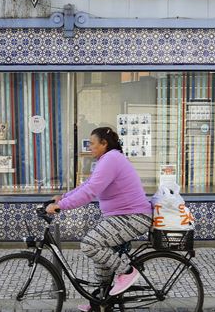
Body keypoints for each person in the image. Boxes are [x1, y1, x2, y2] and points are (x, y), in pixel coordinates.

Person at [45, 127, 152, 309]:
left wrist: (61, 206)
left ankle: (127, 272)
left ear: (104, 144)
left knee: (90, 244)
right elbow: (88, 184)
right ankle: (100, 302)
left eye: (92, 144)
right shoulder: (107, 159)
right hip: (121, 217)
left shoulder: (111, 159)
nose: (90, 148)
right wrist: (64, 196)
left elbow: (90, 192)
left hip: (133, 217)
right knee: (100, 257)